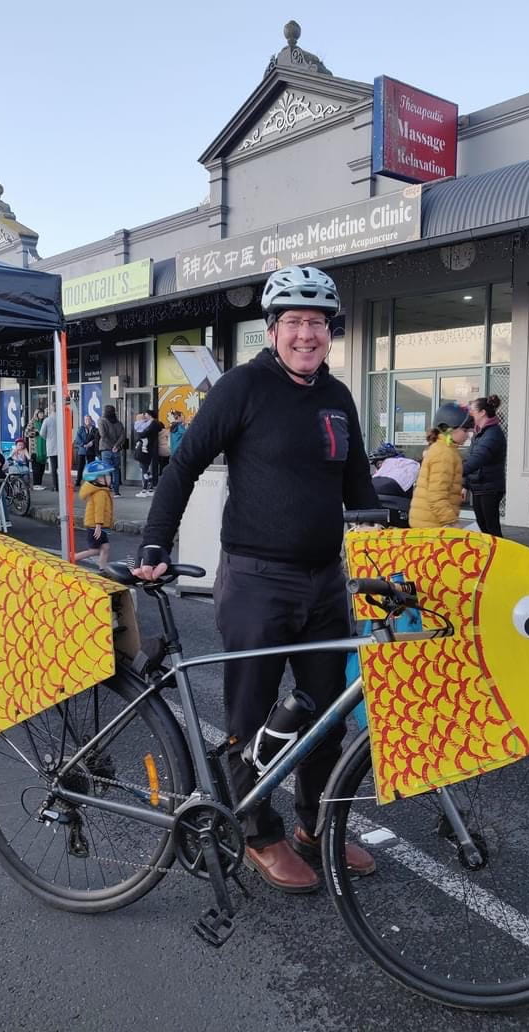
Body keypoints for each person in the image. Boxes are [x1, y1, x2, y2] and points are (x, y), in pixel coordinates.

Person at [133, 265, 378, 893]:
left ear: (330, 333)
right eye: (293, 322)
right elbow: (184, 465)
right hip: (256, 579)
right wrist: (156, 541)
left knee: (326, 714)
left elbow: (360, 493)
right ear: (271, 331)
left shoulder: (338, 397)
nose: (305, 335)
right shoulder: (243, 387)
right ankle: (255, 831)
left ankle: (315, 823)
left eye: (316, 324)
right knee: (252, 712)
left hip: (325, 580)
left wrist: (400, 546)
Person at [409, 403, 474, 528]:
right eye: (465, 430)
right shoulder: (444, 454)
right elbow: (437, 495)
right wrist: (452, 522)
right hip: (432, 525)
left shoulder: (444, 449)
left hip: (429, 521)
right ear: (450, 429)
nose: (467, 435)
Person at [463, 394, 507, 537]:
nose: (470, 413)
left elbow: (478, 458)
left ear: (482, 413)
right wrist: (465, 484)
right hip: (479, 486)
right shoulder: (480, 432)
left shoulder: (493, 434)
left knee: (491, 529)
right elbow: (472, 457)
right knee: (483, 526)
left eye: (473, 410)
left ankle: (501, 555)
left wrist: (454, 472)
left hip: (490, 487)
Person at [75, 460, 115, 570]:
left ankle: (103, 569)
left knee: (105, 547)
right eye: (107, 476)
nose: (110, 478)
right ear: (99, 479)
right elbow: (99, 510)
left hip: (98, 525)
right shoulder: (100, 493)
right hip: (96, 525)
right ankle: (71, 559)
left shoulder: (102, 490)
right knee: (95, 550)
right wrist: (98, 525)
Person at [135, 409, 164, 497]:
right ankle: (150, 488)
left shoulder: (152, 424)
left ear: (150, 415)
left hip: (146, 449)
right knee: (146, 470)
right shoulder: (155, 423)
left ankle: (144, 489)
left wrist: (139, 435)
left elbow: (143, 434)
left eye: (146, 414)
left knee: (144, 469)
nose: (144, 416)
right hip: (150, 449)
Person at [98, 405, 125, 495]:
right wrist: (116, 446)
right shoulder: (118, 423)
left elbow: (103, 435)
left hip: (106, 449)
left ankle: (107, 489)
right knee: (116, 470)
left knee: (106, 470)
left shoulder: (102, 421)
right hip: (116, 450)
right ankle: (117, 492)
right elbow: (123, 436)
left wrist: (112, 446)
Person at [74, 415, 99, 487]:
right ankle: (78, 481)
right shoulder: (81, 429)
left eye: (88, 419)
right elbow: (78, 439)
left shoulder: (95, 429)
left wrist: (92, 442)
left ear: (91, 420)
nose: (87, 421)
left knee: (91, 466)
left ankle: (91, 481)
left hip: (91, 451)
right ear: (84, 421)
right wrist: (84, 445)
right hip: (82, 450)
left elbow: (97, 438)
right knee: (80, 467)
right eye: (86, 419)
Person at [39, 406, 59, 493]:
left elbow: (42, 433)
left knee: (54, 468)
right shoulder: (62, 418)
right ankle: (64, 485)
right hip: (62, 448)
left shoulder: (47, 420)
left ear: (50, 410)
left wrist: (48, 438)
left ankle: (56, 486)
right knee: (62, 468)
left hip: (52, 446)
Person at [25, 409, 46, 490]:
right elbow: (26, 433)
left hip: (43, 449)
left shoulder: (44, 422)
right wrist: (36, 433)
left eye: (42, 413)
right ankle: (36, 484)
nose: (41, 415)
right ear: (36, 414)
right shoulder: (32, 422)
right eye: (40, 413)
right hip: (35, 449)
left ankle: (39, 484)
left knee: (42, 467)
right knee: (36, 468)